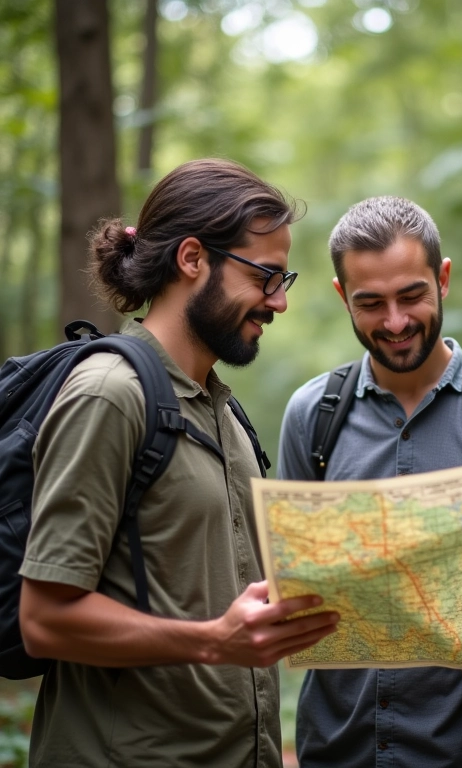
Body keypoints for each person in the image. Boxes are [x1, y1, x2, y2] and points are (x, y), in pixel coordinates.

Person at [19, 158, 339, 768]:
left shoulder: (225, 413)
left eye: (284, 280)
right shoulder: (110, 394)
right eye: (265, 276)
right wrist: (215, 642)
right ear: (193, 259)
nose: (278, 302)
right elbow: (46, 620)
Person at [277, 195, 462, 767]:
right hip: (334, 748)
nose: (395, 322)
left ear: (443, 279)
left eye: (411, 296)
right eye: (371, 303)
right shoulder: (311, 414)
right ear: (343, 296)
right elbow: (295, 587)